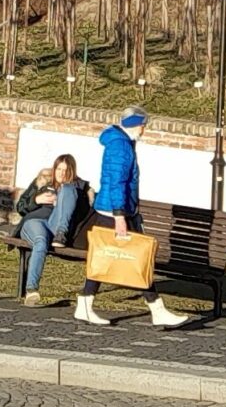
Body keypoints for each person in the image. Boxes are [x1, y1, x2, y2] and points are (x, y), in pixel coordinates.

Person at [88, 107, 190, 329]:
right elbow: (117, 182)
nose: (144, 129)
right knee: (137, 260)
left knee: (105, 258)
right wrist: (119, 216)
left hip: (120, 210)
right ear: (135, 125)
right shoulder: (120, 146)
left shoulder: (121, 142)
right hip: (114, 212)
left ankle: (84, 304)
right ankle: (157, 309)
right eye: (143, 125)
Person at [12, 153, 91, 307]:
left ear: (72, 172)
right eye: (59, 169)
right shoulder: (42, 182)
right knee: (40, 242)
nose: (61, 173)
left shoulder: (77, 189)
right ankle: (32, 291)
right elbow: (20, 207)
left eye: (66, 170)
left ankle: (60, 234)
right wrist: (36, 200)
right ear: (54, 169)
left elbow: (84, 212)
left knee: (67, 189)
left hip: (56, 226)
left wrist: (63, 201)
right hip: (35, 222)